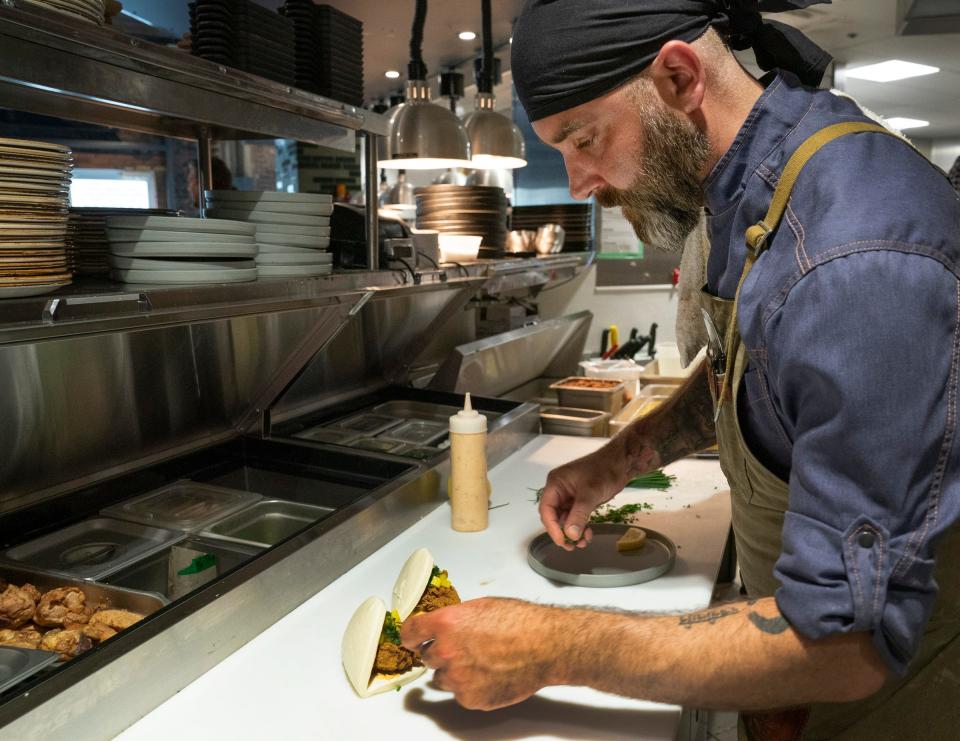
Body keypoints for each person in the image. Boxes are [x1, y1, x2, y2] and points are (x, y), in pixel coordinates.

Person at [400, 2, 960, 739]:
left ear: (678, 75)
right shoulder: (753, 179)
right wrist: (621, 458)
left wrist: (549, 647)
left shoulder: (856, 257)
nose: (577, 183)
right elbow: (760, 364)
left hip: (879, 700)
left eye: (583, 138)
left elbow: (846, 645)